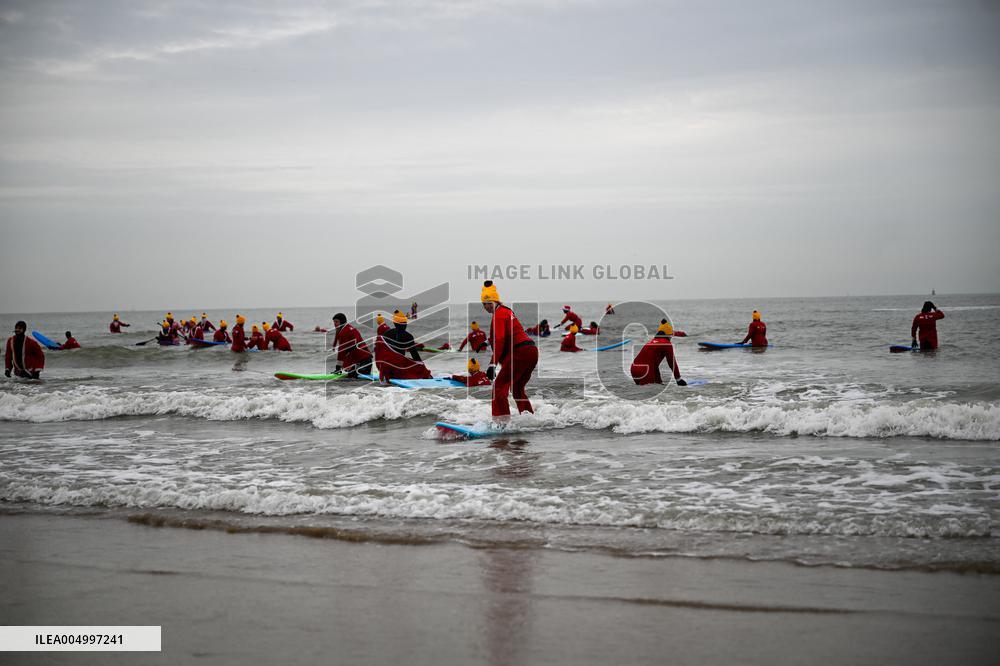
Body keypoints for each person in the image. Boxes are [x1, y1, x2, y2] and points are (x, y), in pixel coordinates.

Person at [482, 280, 537, 419]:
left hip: (520, 352)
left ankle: (501, 423)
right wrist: (487, 342)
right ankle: (530, 419)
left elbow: (500, 340)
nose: (485, 307)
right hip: (531, 351)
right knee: (517, 389)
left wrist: (492, 364)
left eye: (487, 303)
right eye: (483, 304)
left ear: (493, 301)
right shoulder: (506, 311)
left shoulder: (499, 314)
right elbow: (508, 335)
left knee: (499, 388)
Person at [631, 319, 686, 386]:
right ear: (668, 335)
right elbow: (671, 362)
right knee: (650, 391)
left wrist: (659, 382)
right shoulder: (666, 343)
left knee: (653, 388)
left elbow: (654, 365)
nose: (671, 337)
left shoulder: (653, 341)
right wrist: (678, 379)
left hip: (634, 369)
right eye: (671, 336)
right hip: (645, 370)